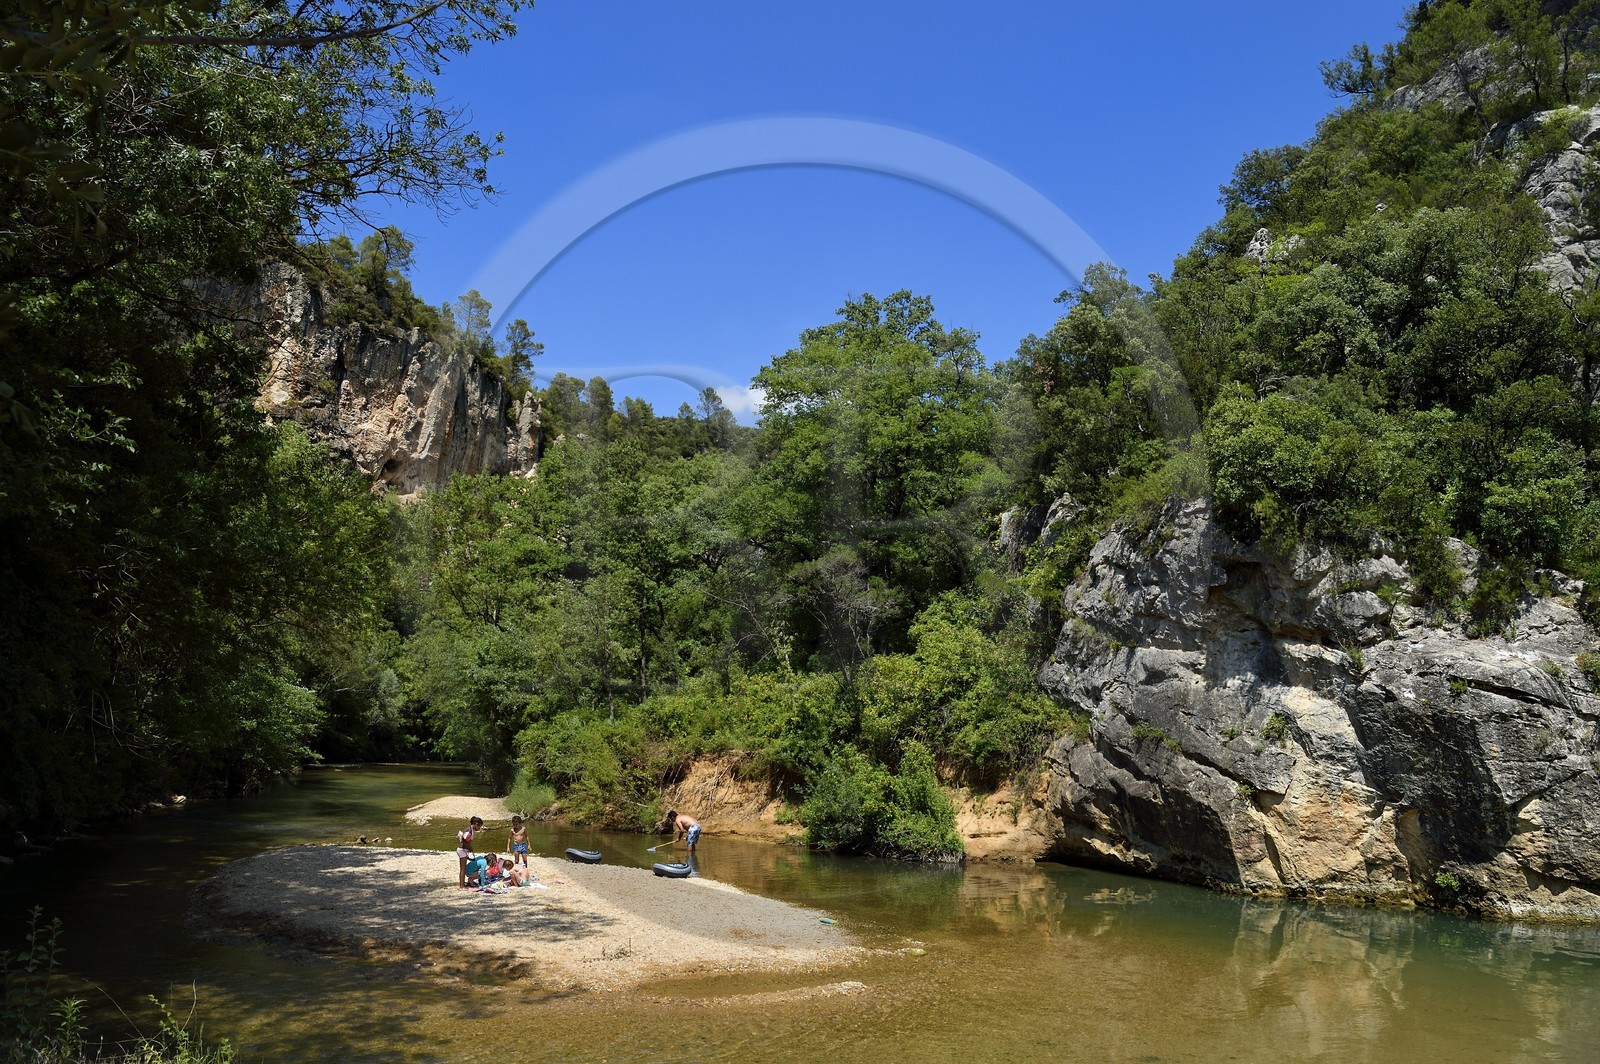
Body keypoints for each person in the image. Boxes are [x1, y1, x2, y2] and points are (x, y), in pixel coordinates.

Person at [457, 815, 484, 888]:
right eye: (479, 826)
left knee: (464, 868)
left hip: (464, 850)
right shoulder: (469, 830)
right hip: (462, 850)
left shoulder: (470, 829)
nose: (479, 828)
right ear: (476, 824)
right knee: (463, 869)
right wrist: (470, 847)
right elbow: (463, 840)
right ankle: (462, 886)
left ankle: (463, 883)